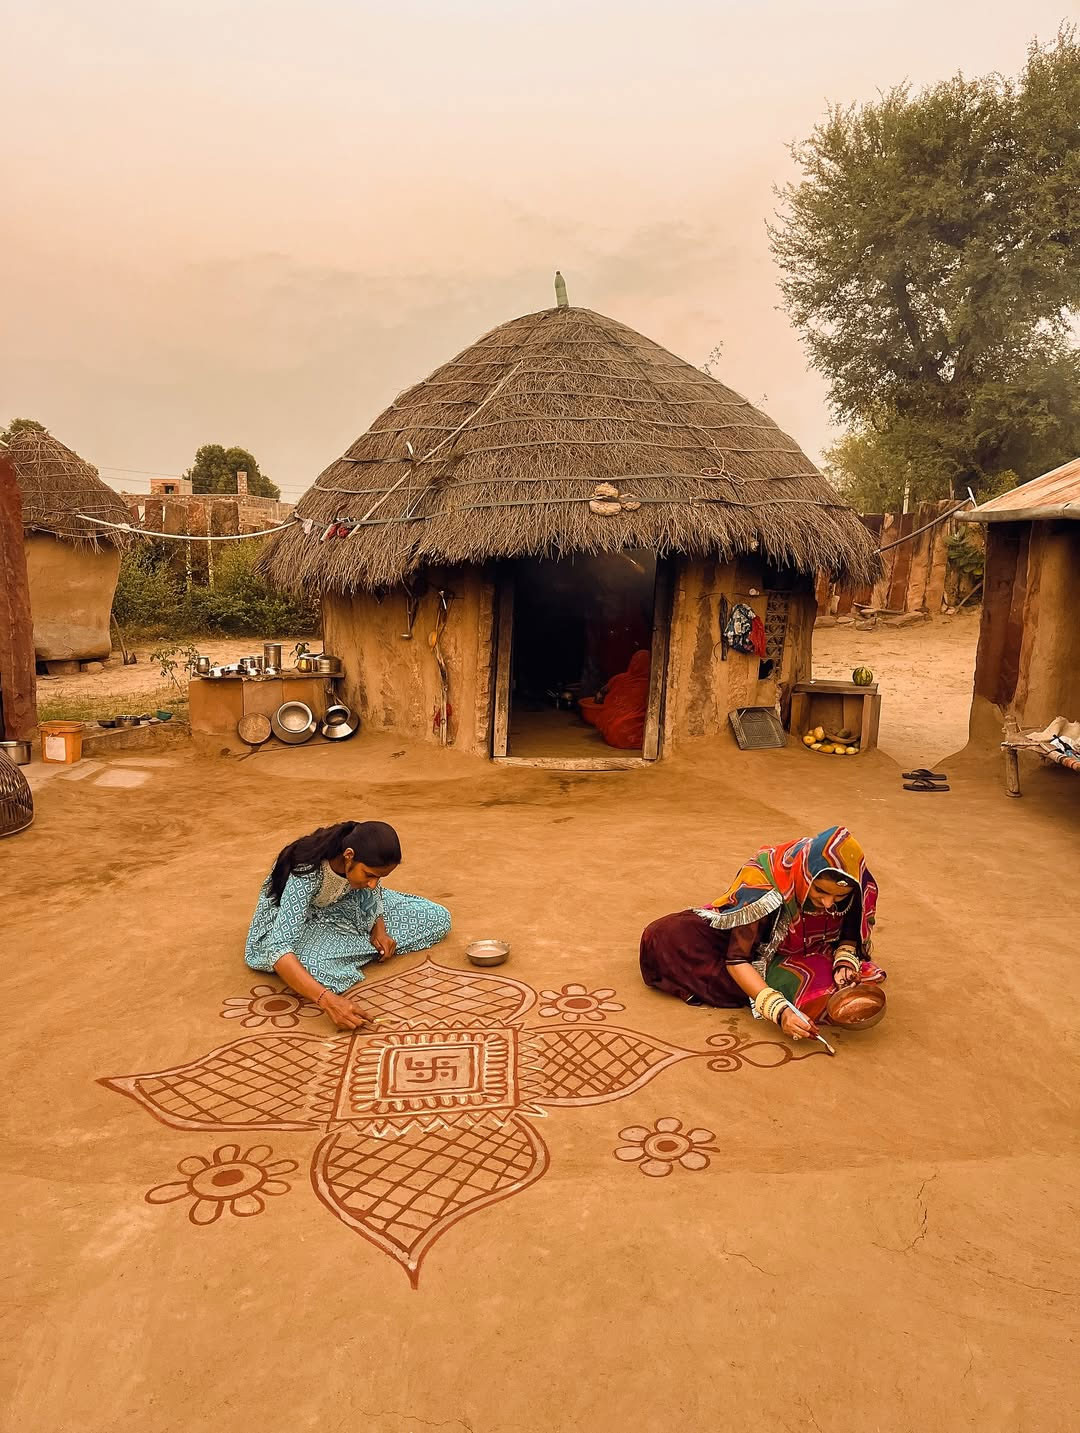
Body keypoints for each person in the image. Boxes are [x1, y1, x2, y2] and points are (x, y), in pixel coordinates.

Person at [639, 826, 884, 1041]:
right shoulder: (764, 885)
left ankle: (785, 982)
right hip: (752, 942)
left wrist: (844, 959)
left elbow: (850, 934)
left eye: (839, 896)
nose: (829, 903)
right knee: (663, 936)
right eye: (820, 891)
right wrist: (779, 1011)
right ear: (806, 875)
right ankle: (776, 986)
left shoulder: (856, 884)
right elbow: (737, 959)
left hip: (807, 948)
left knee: (827, 989)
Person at [245, 820, 450, 1030]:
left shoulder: (361, 859)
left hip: (345, 905)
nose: (372, 883)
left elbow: (372, 892)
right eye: (369, 875)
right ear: (349, 855)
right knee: (315, 967)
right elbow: (278, 948)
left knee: (437, 917)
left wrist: (379, 928)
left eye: (378, 877)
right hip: (303, 921)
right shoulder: (306, 871)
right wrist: (327, 1000)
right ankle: (344, 951)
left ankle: (346, 951)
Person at [579, 650, 652, 749]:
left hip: (612, 735)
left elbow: (599, 696)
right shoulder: (653, 685)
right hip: (637, 738)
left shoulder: (618, 678)